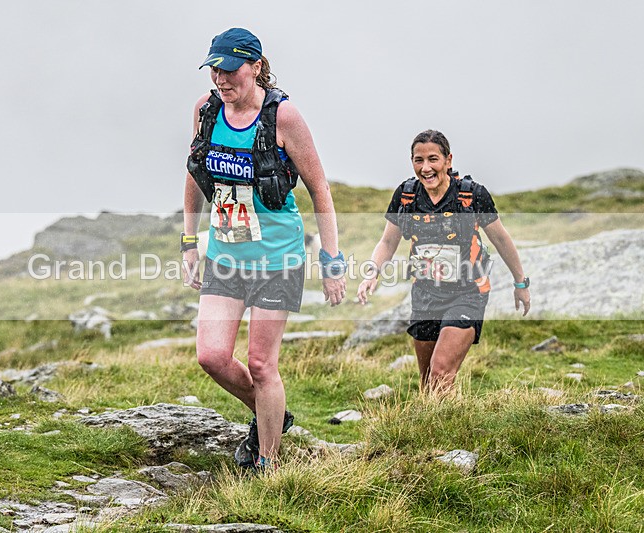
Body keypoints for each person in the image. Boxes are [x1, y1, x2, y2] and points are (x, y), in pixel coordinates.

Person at [182, 28, 347, 470]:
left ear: (255, 66)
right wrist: (188, 241)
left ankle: (267, 463)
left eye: (230, 68)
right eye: (214, 68)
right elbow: (195, 174)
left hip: (279, 258)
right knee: (211, 356)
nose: (220, 78)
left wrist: (332, 260)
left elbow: (319, 189)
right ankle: (272, 414)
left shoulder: (283, 118)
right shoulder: (206, 110)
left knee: (260, 364)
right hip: (226, 254)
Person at [357, 130, 530, 395]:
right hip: (426, 294)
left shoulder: (472, 196)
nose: (426, 168)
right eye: (418, 160)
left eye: (433, 159)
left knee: (441, 372)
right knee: (429, 382)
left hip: (467, 293)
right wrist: (372, 273)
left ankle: (452, 431)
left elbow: (502, 240)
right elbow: (388, 242)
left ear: (448, 160)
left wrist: (520, 283)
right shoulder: (406, 196)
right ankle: (438, 430)